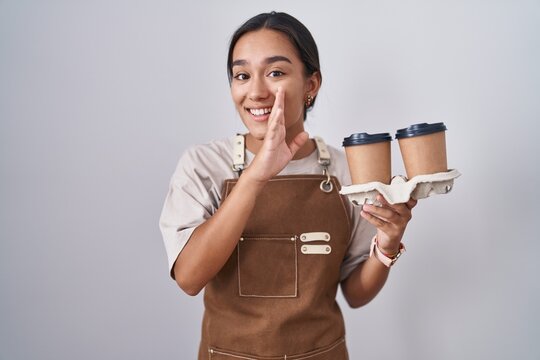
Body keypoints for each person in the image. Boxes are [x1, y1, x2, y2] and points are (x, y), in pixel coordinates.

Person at [159, 11, 417, 360]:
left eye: (276, 72)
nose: (256, 91)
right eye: (242, 75)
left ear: (311, 85)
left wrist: (388, 243)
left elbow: (356, 293)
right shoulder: (203, 165)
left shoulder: (345, 169)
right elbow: (189, 278)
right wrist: (255, 176)